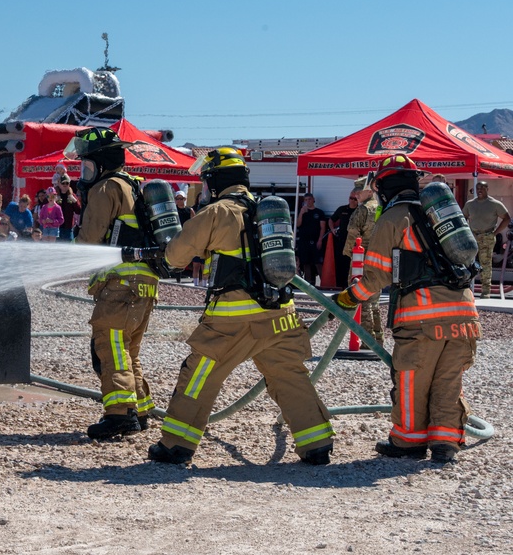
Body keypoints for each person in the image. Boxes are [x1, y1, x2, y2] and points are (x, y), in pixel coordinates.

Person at [149, 147, 334, 466]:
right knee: (289, 376)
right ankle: (317, 444)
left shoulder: (216, 212)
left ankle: (176, 444)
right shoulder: (265, 209)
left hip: (232, 320)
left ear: (217, 181)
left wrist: (165, 257)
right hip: (281, 316)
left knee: (199, 374)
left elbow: (175, 256)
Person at [336, 154, 479, 463]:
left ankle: (409, 442)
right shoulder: (439, 214)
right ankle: (446, 444)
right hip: (465, 315)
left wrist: (348, 298)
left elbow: (376, 276)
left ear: (384, 187)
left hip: (422, 320)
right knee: (448, 381)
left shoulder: (393, 218)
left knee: (413, 380)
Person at [67, 128, 159, 440]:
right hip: (144, 284)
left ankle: (119, 414)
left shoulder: (106, 188)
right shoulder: (133, 186)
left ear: (102, 162)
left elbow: (90, 237)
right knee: (128, 350)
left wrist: (73, 250)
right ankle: (140, 410)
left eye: (88, 165)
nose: (85, 173)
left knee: (110, 347)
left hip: (121, 283)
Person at [343, 175, 384, 345]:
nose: (356, 195)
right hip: (378, 258)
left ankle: (367, 340)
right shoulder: (381, 208)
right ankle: (378, 337)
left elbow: (353, 234)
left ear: (368, 191)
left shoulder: (362, 210)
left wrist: (349, 255)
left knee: (361, 297)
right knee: (374, 300)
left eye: (358, 192)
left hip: (361, 258)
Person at [462, 181, 510, 299]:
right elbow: (463, 218)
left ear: (487, 189)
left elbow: (507, 218)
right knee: (467, 262)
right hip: (472, 236)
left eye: (482, 188)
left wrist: (496, 232)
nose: (480, 190)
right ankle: (465, 289)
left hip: (487, 237)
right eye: (478, 188)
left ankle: (485, 291)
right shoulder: (470, 204)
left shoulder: (495, 204)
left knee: (486, 264)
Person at [328, 186, 359, 289]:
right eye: (351, 198)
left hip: (354, 242)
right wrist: (332, 229)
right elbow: (331, 219)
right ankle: (340, 285)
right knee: (340, 263)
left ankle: (349, 285)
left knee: (351, 264)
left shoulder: (360, 211)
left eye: (355, 199)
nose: (352, 201)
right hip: (342, 240)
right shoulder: (342, 209)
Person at [295, 192, 327, 286]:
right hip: (304, 241)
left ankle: (324, 283)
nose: (308, 201)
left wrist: (320, 240)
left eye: (309, 199)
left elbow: (323, 227)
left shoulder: (319, 212)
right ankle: (308, 285)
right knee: (306, 263)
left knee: (318, 263)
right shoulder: (302, 212)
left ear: (313, 200)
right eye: (305, 200)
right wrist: (301, 213)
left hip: (316, 240)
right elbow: (297, 225)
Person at [53, 174, 81, 242]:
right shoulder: (54, 195)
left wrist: (74, 201)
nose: (65, 185)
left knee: (69, 247)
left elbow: (78, 211)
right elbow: (47, 208)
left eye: (67, 183)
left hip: (68, 228)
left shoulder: (72, 195)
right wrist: (54, 201)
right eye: (63, 183)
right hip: (56, 227)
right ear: (59, 184)